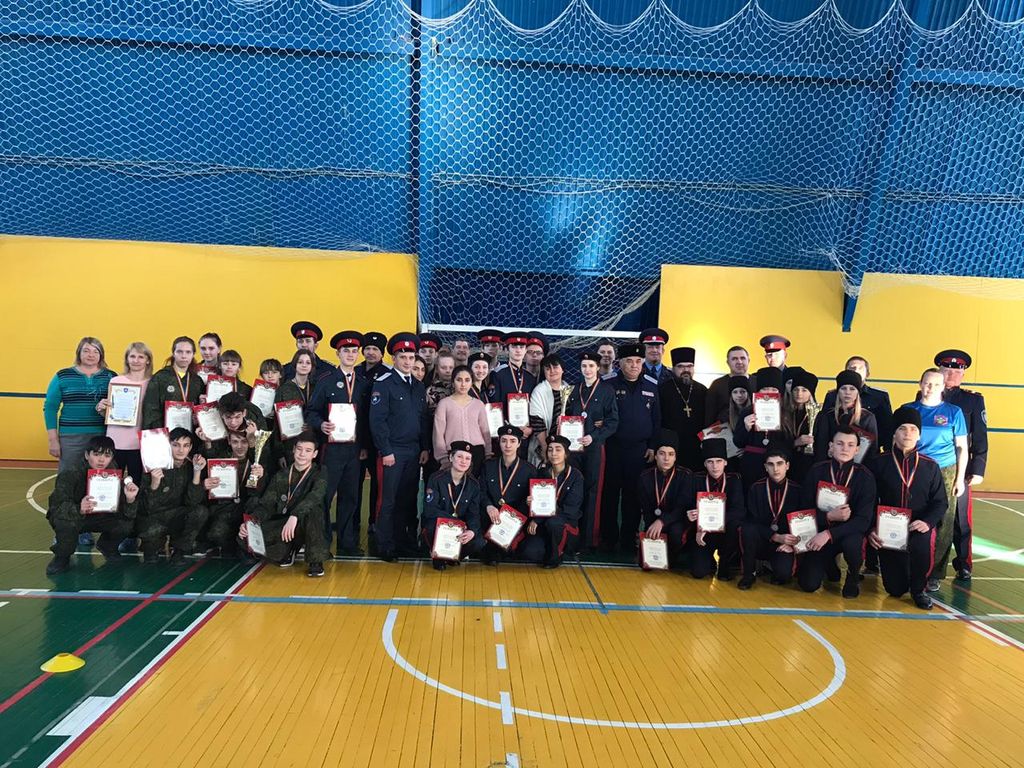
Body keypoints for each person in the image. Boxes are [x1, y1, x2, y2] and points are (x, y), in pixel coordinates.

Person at [869, 406, 948, 610]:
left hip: (917, 526)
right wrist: (871, 528)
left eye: (913, 429)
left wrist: (927, 522)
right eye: (902, 428)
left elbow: (940, 502)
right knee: (895, 589)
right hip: (888, 529)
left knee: (922, 545)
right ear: (894, 433)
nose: (908, 433)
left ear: (919, 435)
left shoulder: (930, 466)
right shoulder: (879, 463)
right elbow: (869, 500)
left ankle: (919, 590)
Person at [306, 331, 372, 557]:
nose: (350, 355)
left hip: (354, 450)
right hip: (332, 449)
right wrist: (321, 424)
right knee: (325, 496)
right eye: (346, 351)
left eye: (354, 351)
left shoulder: (363, 383)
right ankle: (322, 543)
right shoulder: (325, 381)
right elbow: (311, 412)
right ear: (338, 353)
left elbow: (366, 419)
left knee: (350, 497)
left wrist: (364, 446)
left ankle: (347, 543)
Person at [369, 333, 431, 561]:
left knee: (408, 498)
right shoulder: (384, 383)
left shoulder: (418, 386)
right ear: (393, 358)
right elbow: (377, 421)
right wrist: (385, 451)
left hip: (414, 452)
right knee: (387, 500)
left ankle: (403, 541)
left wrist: (424, 448)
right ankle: (384, 545)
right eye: (402, 357)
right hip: (392, 451)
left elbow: (423, 419)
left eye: (411, 357)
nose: (407, 361)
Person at [905, 368, 968, 592]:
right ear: (920, 384)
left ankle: (935, 573)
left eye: (936, 384)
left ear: (944, 387)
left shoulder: (954, 412)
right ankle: (909, 566)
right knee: (912, 516)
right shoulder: (908, 410)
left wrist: (959, 479)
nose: (931, 388)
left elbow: (962, 447)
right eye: (927, 383)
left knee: (944, 522)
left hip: (945, 470)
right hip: (916, 469)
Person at [799, 428, 877, 598]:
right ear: (831, 446)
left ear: (857, 449)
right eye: (840, 443)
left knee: (853, 545)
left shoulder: (865, 477)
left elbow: (863, 520)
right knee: (808, 585)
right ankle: (829, 564)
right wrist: (827, 517)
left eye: (850, 445)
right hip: (819, 531)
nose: (844, 449)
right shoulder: (816, 471)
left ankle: (853, 576)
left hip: (848, 533)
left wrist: (829, 534)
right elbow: (804, 509)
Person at [45, 436, 140, 575]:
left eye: (107, 455)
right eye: (96, 454)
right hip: (76, 516)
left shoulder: (112, 472)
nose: (101, 460)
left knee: (128, 521)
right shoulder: (71, 473)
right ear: (86, 455)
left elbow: (125, 511)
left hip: (101, 515)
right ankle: (62, 556)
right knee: (65, 523)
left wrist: (130, 499)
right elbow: (56, 507)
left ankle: (108, 546)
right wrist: (79, 508)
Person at [239, 431, 329, 577]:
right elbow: (267, 504)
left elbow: (315, 496)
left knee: (313, 512)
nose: (302, 454)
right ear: (293, 450)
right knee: (244, 537)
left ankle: (316, 561)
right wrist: (251, 523)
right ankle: (287, 550)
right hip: (284, 525)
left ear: (315, 454)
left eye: (308, 451)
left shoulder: (319, 472)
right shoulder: (281, 475)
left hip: (305, 523)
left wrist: (295, 516)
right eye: (299, 449)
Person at [602, 342, 661, 554]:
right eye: (629, 361)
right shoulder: (608, 384)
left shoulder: (651, 385)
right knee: (610, 494)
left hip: (639, 451)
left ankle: (628, 539)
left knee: (633, 496)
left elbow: (657, 419)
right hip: (613, 449)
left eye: (638, 361)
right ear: (620, 363)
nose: (634, 365)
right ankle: (608, 539)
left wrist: (653, 446)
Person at [935, 349, 988, 581]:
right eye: (946, 369)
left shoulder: (973, 400)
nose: (951, 374)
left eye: (957, 371)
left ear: (963, 374)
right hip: (931, 468)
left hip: (960, 469)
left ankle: (964, 563)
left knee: (960, 520)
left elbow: (980, 436)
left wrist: (977, 470)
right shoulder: (927, 394)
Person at [564, 351, 619, 552]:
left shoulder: (607, 391)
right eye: (584, 366)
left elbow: (613, 422)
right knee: (573, 490)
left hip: (595, 448)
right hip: (573, 450)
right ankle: (571, 536)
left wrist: (594, 436)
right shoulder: (572, 390)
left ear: (597, 368)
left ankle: (589, 540)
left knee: (592, 491)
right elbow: (566, 416)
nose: (587, 370)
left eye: (591, 366)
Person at [44, 337, 116, 472]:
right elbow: (50, 408)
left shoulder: (111, 377)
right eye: (86, 351)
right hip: (70, 438)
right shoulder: (63, 376)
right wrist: (53, 439)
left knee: (99, 477)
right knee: (69, 475)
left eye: (95, 351)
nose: (91, 355)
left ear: (101, 355)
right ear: (79, 353)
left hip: (102, 435)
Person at [137, 428, 207, 565]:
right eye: (176, 445)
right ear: (168, 445)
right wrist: (154, 484)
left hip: (176, 516)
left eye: (185, 446)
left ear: (190, 447)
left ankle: (180, 551)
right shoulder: (152, 465)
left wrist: (197, 472)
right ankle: (151, 547)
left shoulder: (191, 466)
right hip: (154, 518)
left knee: (200, 511)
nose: (181, 450)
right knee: (150, 559)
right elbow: (145, 508)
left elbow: (193, 502)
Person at [737, 446, 803, 589]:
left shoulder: (797, 490)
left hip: (784, 544)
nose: (775, 469)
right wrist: (774, 536)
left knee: (783, 575)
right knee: (747, 529)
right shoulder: (756, 488)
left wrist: (792, 544)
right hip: (761, 540)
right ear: (765, 467)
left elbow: (803, 522)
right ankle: (749, 573)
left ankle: (770, 566)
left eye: (779, 464)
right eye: (771, 464)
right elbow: (751, 521)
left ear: (787, 466)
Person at [195, 429, 267, 558]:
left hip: (246, 509)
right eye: (235, 441)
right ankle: (231, 546)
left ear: (250, 442)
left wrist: (260, 478)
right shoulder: (220, 462)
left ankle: (244, 545)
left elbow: (259, 494)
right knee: (216, 533)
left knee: (255, 503)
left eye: (244, 441)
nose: (239, 446)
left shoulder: (256, 463)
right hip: (226, 509)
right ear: (229, 441)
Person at [518, 436, 583, 568]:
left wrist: (539, 519)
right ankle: (548, 549)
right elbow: (535, 502)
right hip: (544, 524)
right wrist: (530, 502)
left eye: (558, 449)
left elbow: (570, 510)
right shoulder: (542, 473)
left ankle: (556, 557)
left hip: (565, 525)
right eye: (550, 450)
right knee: (528, 552)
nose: (553, 453)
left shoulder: (576, 476)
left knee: (553, 523)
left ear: (566, 454)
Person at [684, 438, 744, 580]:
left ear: (725, 462)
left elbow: (739, 511)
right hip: (702, 535)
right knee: (699, 572)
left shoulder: (734, 479)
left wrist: (712, 524)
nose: (715, 466)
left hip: (725, 533)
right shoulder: (695, 479)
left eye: (719, 461)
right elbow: (685, 505)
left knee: (736, 524)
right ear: (705, 464)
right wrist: (689, 514)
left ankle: (725, 562)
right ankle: (708, 560)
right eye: (710, 462)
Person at [422, 441, 487, 570]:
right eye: (459, 456)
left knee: (479, 541)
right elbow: (430, 510)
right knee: (430, 527)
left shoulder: (473, 485)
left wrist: (472, 531)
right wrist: (456, 523)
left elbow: (474, 514)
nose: (463, 461)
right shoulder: (436, 478)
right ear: (451, 457)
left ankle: (453, 557)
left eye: (467, 458)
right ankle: (438, 557)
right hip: (439, 526)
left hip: (460, 530)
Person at [97, 341, 154, 483]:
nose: (136, 360)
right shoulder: (116, 381)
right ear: (127, 359)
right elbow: (109, 414)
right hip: (116, 440)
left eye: (141, 357)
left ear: (148, 360)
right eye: (132, 356)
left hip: (141, 442)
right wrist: (102, 408)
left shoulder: (153, 383)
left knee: (137, 483)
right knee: (112, 483)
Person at [480, 425, 537, 563]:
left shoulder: (529, 470)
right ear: (499, 442)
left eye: (512, 441)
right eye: (504, 440)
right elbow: (481, 491)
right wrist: (488, 505)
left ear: (519, 443)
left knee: (529, 553)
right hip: (490, 516)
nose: (508, 445)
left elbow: (529, 500)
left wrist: (514, 516)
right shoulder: (488, 466)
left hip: (515, 520)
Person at [637, 429, 692, 569]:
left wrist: (662, 521)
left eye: (671, 454)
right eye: (662, 454)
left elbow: (681, 508)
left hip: (676, 521)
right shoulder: (645, 476)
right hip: (654, 522)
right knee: (645, 564)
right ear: (655, 456)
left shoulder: (685, 476)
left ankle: (673, 556)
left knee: (675, 532)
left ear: (675, 457)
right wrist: (650, 527)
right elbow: (645, 508)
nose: (666, 459)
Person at [355, 331, 390, 529]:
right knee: (354, 483)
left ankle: (373, 522)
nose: (370, 352)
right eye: (367, 348)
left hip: (376, 439)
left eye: (375, 349)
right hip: (356, 436)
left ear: (382, 353)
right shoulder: (355, 371)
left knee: (377, 483)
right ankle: (353, 521)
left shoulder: (387, 374)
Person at [821, 356, 893, 450]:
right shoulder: (832, 395)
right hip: (834, 449)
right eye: (852, 368)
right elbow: (824, 425)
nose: (856, 371)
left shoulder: (879, 396)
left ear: (867, 374)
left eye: (860, 368)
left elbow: (887, 428)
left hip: (868, 450)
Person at [732, 367, 786, 488]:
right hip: (752, 464)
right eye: (765, 389)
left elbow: (788, 441)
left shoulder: (785, 413)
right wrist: (746, 428)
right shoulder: (747, 412)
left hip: (777, 465)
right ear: (758, 391)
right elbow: (738, 442)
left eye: (773, 389)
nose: (769, 393)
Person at [433, 365, 492, 474]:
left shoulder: (479, 404)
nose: (463, 384)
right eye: (459, 380)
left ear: (472, 382)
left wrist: (488, 453)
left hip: (477, 452)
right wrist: (443, 458)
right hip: (454, 453)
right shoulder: (444, 404)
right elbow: (438, 433)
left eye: (467, 380)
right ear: (453, 382)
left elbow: (485, 431)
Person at [813, 371, 879, 465]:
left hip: (857, 468)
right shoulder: (826, 415)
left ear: (858, 392)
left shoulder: (867, 417)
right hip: (829, 466)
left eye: (852, 389)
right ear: (838, 391)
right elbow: (820, 446)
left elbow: (872, 450)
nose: (847, 392)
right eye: (843, 388)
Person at [659, 346, 708, 471]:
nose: (686, 370)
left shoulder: (703, 390)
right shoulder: (663, 390)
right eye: (681, 366)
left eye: (690, 366)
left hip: (697, 446)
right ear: (673, 369)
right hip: (671, 447)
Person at [142, 336, 204, 429]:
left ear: (193, 354)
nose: (184, 356)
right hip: (166, 432)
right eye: (179, 351)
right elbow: (150, 410)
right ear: (173, 353)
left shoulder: (197, 381)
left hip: (190, 434)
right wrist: (159, 432)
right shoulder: (160, 377)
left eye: (188, 352)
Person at [527, 353, 572, 466]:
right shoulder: (539, 391)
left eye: (555, 367)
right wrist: (545, 447)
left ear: (562, 369)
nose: (552, 371)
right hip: (545, 443)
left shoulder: (569, 389)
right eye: (547, 368)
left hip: (565, 444)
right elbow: (537, 422)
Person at [491, 332, 538, 437]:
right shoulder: (498, 375)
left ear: (525, 350)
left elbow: (534, 407)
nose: (518, 350)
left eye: (521, 347)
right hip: (506, 433)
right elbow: (495, 406)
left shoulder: (530, 378)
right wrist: (508, 427)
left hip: (525, 433)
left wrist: (531, 428)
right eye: (514, 347)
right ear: (507, 350)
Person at [781, 369, 818, 483]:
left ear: (811, 392)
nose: (799, 393)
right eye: (796, 389)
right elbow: (777, 441)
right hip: (787, 464)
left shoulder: (818, 414)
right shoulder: (784, 413)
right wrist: (795, 443)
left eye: (804, 390)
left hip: (810, 465)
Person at [705, 346, 750, 424]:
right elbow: (709, 415)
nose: (739, 362)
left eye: (742, 358)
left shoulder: (758, 381)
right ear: (728, 362)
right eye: (734, 359)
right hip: (724, 430)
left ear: (748, 360)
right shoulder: (717, 385)